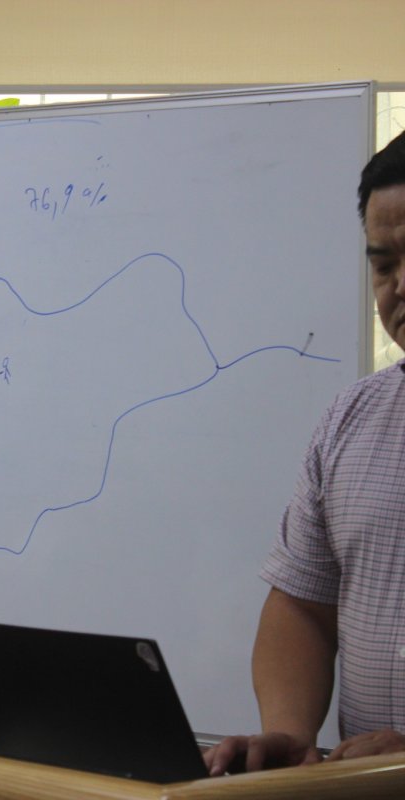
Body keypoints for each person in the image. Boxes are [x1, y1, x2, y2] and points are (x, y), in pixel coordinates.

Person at [204, 132, 405, 776]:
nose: (400, 285)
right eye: (383, 264)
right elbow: (303, 606)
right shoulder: (350, 420)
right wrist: (290, 736)